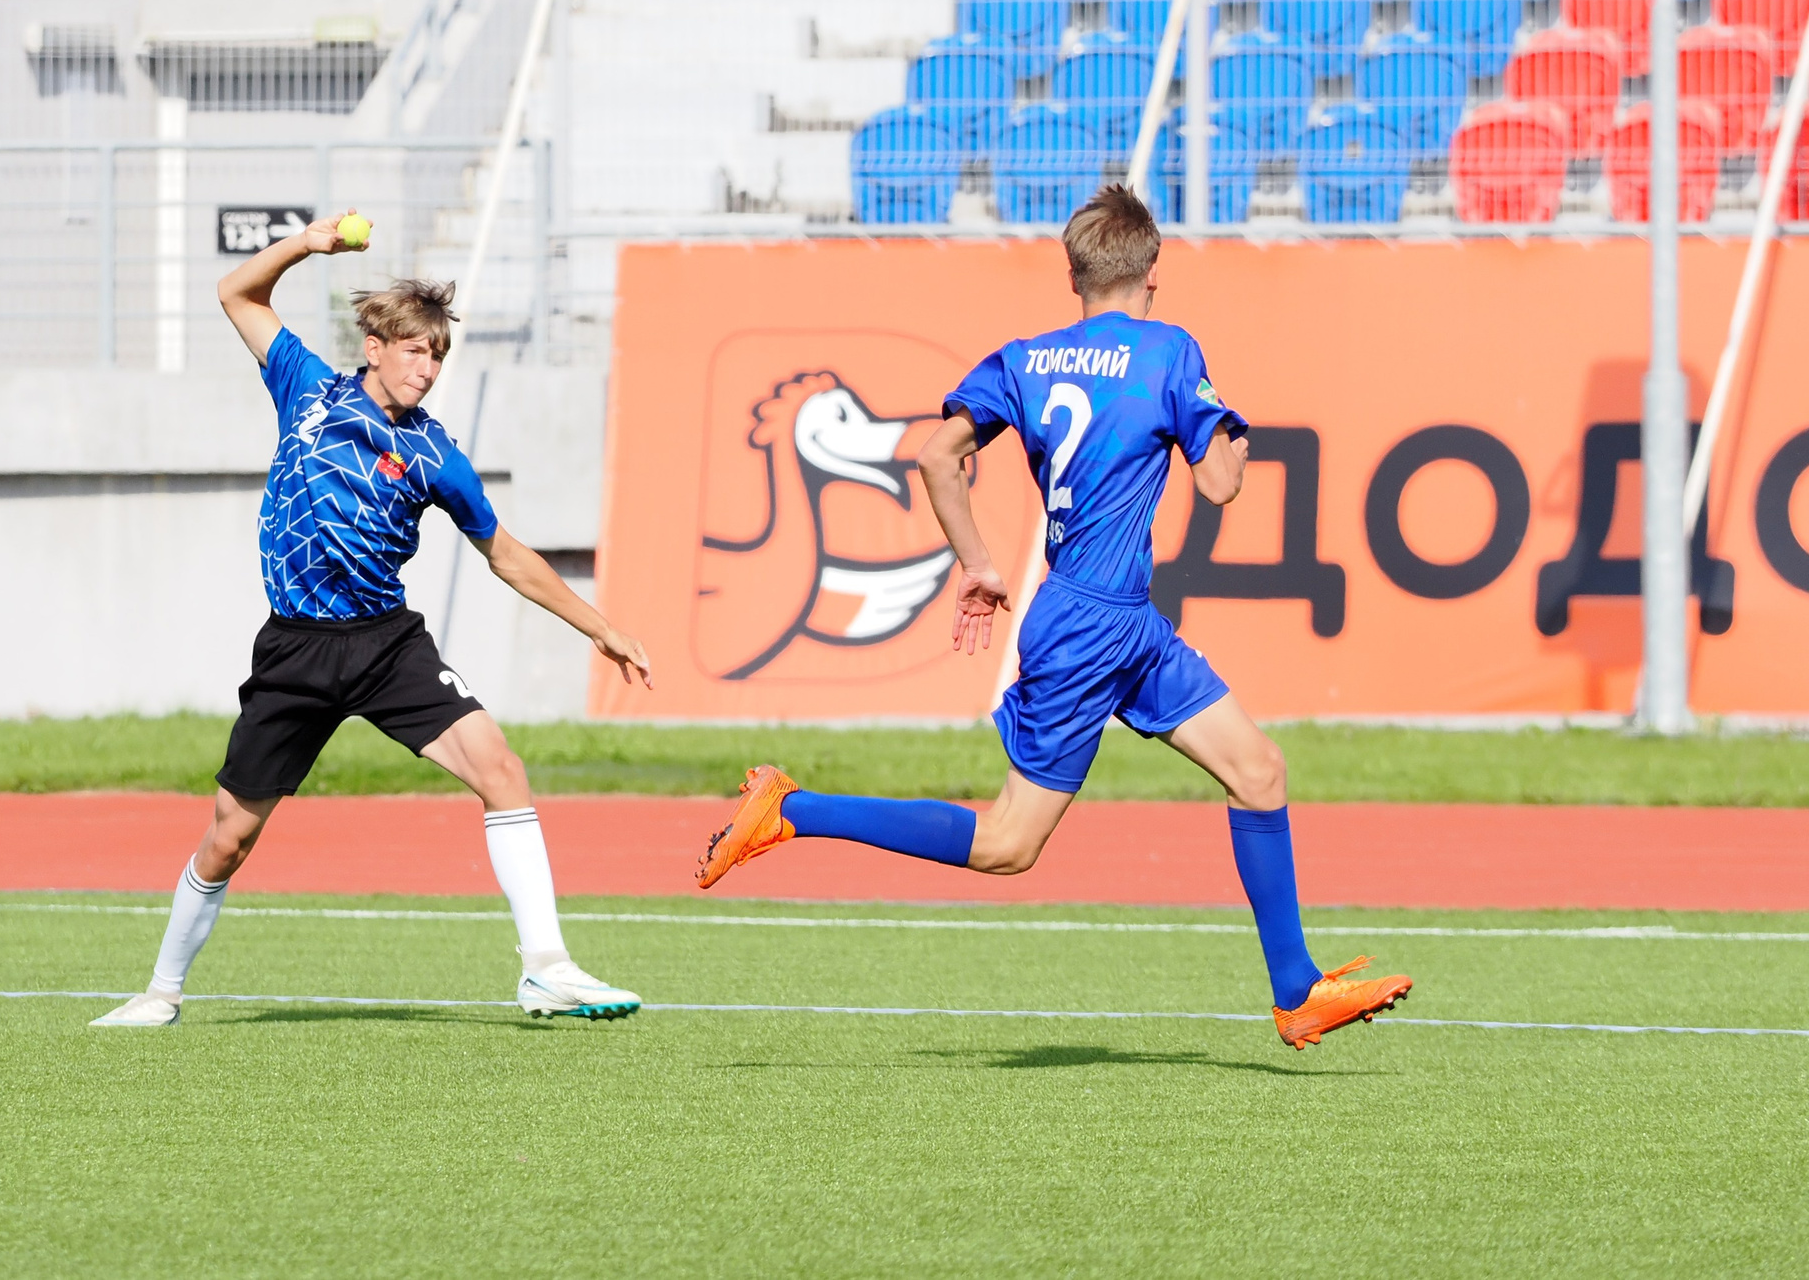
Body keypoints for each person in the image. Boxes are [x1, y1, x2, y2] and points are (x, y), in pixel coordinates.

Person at [692, 185, 1412, 1050]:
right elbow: (1219, 484)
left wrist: (978, 562)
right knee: (1005, 843)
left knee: (1259, 770)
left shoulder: (1026, 360)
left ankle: (1297, 989)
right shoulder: (1169, 351)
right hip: (1091, 628)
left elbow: (934, 455)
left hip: (1112, 618)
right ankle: (792, 809)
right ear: (1153, 273)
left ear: (1073, 274)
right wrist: (1233, 430)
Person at [94, 212, 654, 1027]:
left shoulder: (436, 456)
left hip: (386, 644)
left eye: (438, 354)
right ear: (377, 346)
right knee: (228, 838)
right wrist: (307, 245)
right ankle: (161, 990)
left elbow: (506, 553)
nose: (427, 368)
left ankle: (546, 968)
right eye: (416, 350)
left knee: (501, 768)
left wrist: (599, 625)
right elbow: (236, 292)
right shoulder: (308, 389)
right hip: (295, 649)